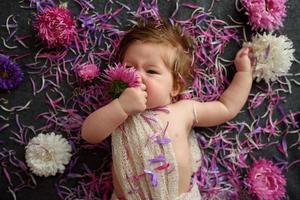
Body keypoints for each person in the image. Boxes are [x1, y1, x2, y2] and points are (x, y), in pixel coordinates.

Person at [81, 20, 253, 200]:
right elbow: (89, 134)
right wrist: (121, 107)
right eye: (129, 67)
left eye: (152, 71)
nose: (137, 75)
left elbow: (226, 107)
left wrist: (243, 74)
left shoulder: (184, 110)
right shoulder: (118, 113)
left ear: (176, 86)